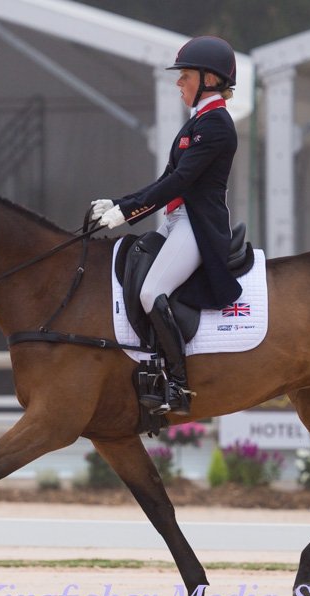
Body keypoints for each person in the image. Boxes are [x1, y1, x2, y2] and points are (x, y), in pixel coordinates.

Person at [91, 36, 243, 416]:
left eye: (185, 76)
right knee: (134, 272)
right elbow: (165, 179)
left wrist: (126, 213)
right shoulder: (198, 123)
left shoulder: (218, 126)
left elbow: (178, 184)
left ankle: (176, 384)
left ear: (209, 79)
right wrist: (119, 203)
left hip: (198, 226)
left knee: (151, 291)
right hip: (176, 222)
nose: (179, 83)